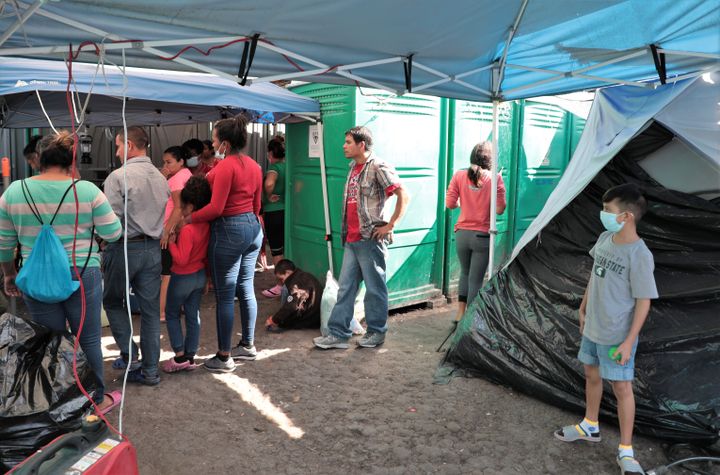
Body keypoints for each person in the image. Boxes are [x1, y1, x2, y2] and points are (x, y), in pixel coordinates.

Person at [0, 131, 123, 414]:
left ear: (39, 160)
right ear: (71, 161)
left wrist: (9, 275)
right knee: (88, 338)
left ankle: (58, 403)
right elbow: (114, 233)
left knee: (51, 339)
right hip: (81, 273)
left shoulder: (15, 192)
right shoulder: (87, 190)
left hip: (35, 277)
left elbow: (4, 244)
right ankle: (95, 400)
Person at [554, 184, 658, 475]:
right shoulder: (604, 238)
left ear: (627, 216)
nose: (603, 215)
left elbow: (644, 302)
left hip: (617, 334)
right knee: (591, 373)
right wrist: (583, 307)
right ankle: (590, 425)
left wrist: (629, 341)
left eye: (609, 211)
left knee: (622, 387)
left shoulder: (639, 255)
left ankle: (626, 451)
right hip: (593, 327)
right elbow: (595, 275)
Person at [313, 126, 409, 350]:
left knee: (375, 289)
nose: (344, 146)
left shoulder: (378, 166)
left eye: (348, 142)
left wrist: (391, 225)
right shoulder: (353, 168)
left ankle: (376, 333)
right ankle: (338, 334)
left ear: (361, 145)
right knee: (345, 287)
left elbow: (403, 194)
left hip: (371, 238)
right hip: (352, 238)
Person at [184, 116, 263, 373]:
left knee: (226, 295)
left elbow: (216, 208)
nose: (213, 143)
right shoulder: (254, 166)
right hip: (253, 227)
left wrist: (189, 219)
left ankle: (223, 356)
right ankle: (247, 346)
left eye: (215, 139)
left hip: (230, 229)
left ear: (226, 143)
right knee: (246, 287)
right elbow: (257, 206)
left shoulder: (227, 167)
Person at [103, 126, 170, 386]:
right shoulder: (160, 176)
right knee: (151, 311)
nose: (117, 151)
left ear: (129, 145)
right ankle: (150, 370)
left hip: (123, 247)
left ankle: (130, 354)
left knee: (113, 301)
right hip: (153, 249)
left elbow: (111, 220)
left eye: (118, 146)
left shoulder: (118, 176)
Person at [445, 142, 506, 322]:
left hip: (462, 234)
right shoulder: (495, 179)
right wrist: (497, 187)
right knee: (476, 280)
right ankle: (469, 322)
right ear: (491, 160)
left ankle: (460, 314)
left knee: (465, 273)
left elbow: (450, 204)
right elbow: (500, 209)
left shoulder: (459, 175)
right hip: (482, 236)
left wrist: (465, 200)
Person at [161, 176, 212, 373]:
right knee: (193, 315)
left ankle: (180, 356)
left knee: (172, 314)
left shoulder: (188, 230)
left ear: (190, 207)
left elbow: (181, 259)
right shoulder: (206, 224)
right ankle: (190, 356)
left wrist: (171, 242)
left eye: (181, 207)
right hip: (199, 275)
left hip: (182, 277)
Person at [159, 146, 193, 322]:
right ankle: (176, 306)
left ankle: (162, 311)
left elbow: (178, 208)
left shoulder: (177, 180)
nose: (165, 165)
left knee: (167, 273)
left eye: (169, 162)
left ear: (181, 161)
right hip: (181, 229)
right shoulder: (187, 175)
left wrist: (167, 231)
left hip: (171, 230)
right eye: (164, 162)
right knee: (176, 272)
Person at [261, 135, 287, 298]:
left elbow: (269, 183)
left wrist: (268, 195)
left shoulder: (274, 168)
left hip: (273, 212)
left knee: (277, 252)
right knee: (285, 249)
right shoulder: (287, 166)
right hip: (285, 211)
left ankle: (280, 285)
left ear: (270, 152)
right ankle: (288, 282)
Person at [265, 259, 322, 332]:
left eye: (281, 279)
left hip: (310, 319)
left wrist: (274, 320)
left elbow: (291, 305)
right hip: (315, 314)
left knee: (285, 290)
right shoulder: (303, 275)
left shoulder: (295, 284)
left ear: (288, 272)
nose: (282, 282)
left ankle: (282, 322)